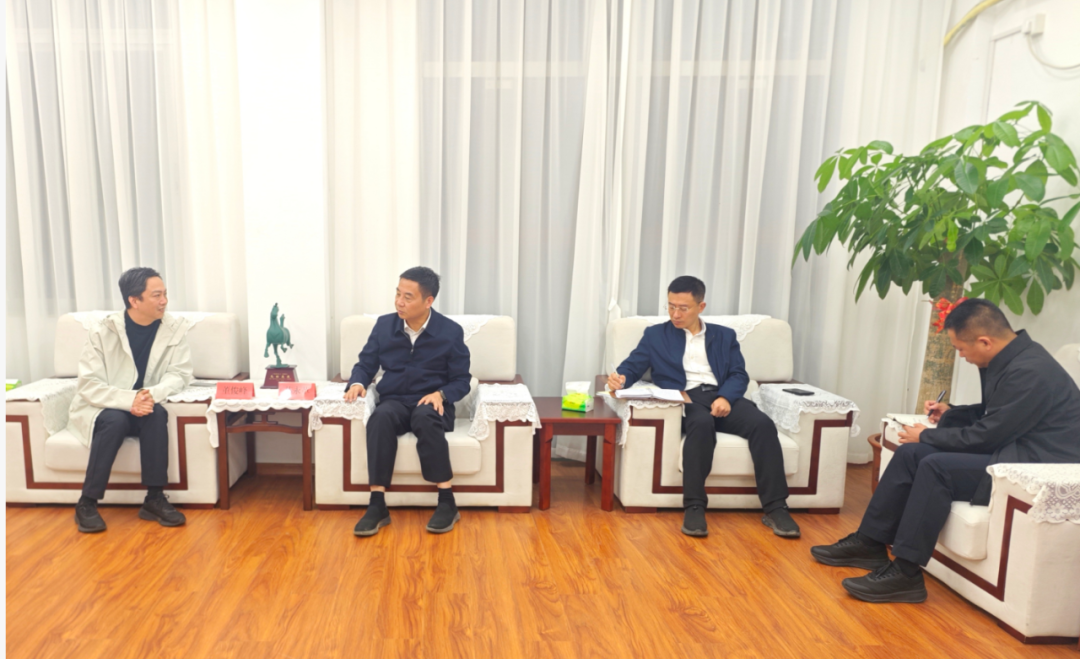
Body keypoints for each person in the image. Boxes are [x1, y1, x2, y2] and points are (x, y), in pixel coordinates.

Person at [811, 298, 1080, 603]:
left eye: (961, 349)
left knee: (935, 466)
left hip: (1034, 464)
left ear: (985, 341)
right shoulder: (1012, 358)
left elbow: (989, 435)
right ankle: (869, 543)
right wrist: (951, 413)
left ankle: (906, 574)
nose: (961, 356)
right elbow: (999, 414)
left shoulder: (1031, 371)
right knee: (910, 454)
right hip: (1012, 446)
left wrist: (927, 435)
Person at [607, 275, 801, 538]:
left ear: (701, 306)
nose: (675, 314)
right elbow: (632, 366)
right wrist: (620, 378)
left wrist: (726, 398)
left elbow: (738, 374)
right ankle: (695, 507)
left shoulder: (724, 336)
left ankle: (776, 508)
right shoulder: (656, 335)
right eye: (671, 306)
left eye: (683, 308)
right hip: (686, 398)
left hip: (721, 395)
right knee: (701, 423)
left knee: (763, 425)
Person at [344, 267, 472, 536]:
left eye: (408, 297)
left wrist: (441, 394)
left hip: (432, 402)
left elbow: (462, 380)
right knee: (380, 418)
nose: (399, 302)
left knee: (425, 416)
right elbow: (366, 364)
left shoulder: (450, 332)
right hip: (395, 400)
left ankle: (447, 502)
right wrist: (357, 383)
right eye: (397, 294)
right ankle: (377, 505)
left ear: (428, 301)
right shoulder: (384, 326)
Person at [70, 267, 193, 533]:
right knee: (115, 421)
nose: (164, 301)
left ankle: (154, 499)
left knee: (157, 414)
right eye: (157, 295)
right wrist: (130, 399)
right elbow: (89, 384)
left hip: (146, 402)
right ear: (134, 300)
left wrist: (148, 396)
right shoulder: (103, 331)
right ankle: (86, 503)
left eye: (165, 294)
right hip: (106, 406)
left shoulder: (174, 328)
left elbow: (179, 374)